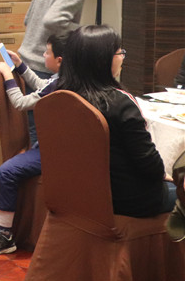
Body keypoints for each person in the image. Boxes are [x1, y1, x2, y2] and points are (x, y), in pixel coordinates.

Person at [53, 24, 176, 217]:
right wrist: (164, 174)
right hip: (128, 200)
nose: (122, 58)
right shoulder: (121, 104)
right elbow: (149, 165)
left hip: (77, 194)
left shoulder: (60, 97)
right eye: (120, 53)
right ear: (103, 60)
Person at [0, 34, 65, 256]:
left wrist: (8, 76)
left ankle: (4, 236)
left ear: (60, 60)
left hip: (53, 153)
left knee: (5, 173)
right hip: (64, 150)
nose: (43, 55)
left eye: (47, 52)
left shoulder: (59, 84)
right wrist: (21, 66)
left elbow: (20, 102)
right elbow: (43, 86)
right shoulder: (66, 80)